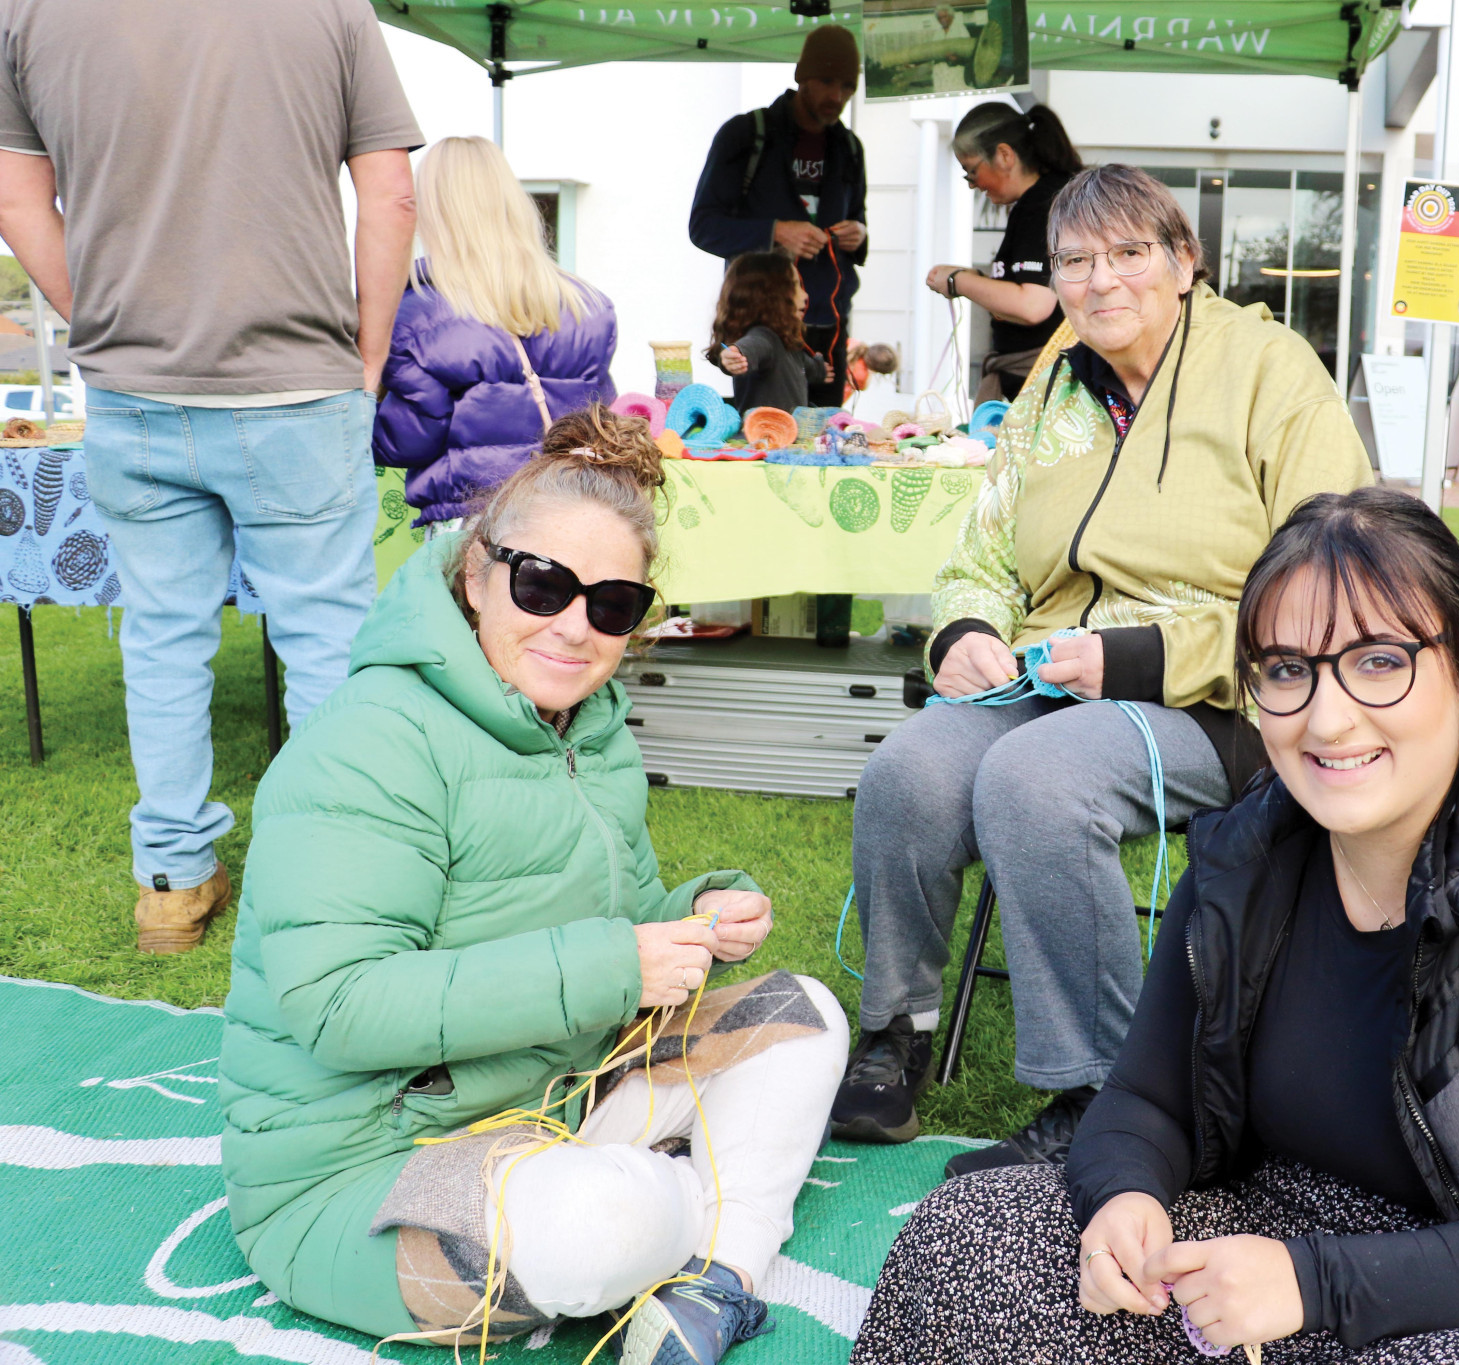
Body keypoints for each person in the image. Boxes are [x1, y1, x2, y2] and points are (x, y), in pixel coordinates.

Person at [852, 488, 1459, 1365]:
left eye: (1376, 662)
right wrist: (1124, 1197)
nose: (1325, 720)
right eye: (1285, 671)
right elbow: (1145, 1100)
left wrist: (1310, 1282)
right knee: (968, 1239)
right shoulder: (1245, 862)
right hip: (1275, 1231)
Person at [218, 406, 848, 1365]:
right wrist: (615, 967)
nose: (574, 626)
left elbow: (617, 921)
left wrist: (698, 916)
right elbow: (338, 1005)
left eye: (612, 604)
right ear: (476, 574)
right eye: (543, 583)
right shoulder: (369, 741)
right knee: (590, 1229)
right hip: (364, 1170)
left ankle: (716, 1274)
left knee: (808, 1014)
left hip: (561, 1095)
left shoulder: (588, 726)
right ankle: (718, 1212)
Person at [832, 165, 1371, 1177]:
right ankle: (891, 1036)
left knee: (1038, 781)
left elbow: (1329, 578)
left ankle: (1106, 1099)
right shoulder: (1054, 378)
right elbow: (980, 551)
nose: (1101, 281)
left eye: (1130, 254)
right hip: (1049, 674)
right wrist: (961, 635)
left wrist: (1137, 657)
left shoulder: (1267, 369)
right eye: (1076, 261)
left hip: (1226, 697)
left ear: (1184, 264)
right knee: (909, 771)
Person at [0, 0, 420, 954]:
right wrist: (370, 349)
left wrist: (104, 319)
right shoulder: (331, 9)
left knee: (161, 638)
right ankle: (330, 882)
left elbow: (18, 198)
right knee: (325, 641)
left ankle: (170, 885)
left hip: (132, 389)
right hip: (296, 382)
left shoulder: (29, 11)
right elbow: (390, 195)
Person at [374, 136, 617, 534]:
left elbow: (408, 440)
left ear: (433, 209)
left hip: (471, 519)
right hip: (566, 510)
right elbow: (598, 414)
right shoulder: (588, 306)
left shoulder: (418, 314)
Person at [689, 24, 866, 409]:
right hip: (763, 326)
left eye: (848, 86)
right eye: (826, 80)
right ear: (801, 75)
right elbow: (702, 227)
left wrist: (860, 233)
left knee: (827, 444)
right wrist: (775, 232)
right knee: (769, 438)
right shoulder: (745, 135)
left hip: (828, 327)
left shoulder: (850, 148)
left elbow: (857, 218)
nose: (837, 96)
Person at [924, 101, 1085, 401]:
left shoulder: (1040, 206)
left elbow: (1033, 305)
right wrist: (978, 280)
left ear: (1004, 155)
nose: (973, 185)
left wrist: (959, 281)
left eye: (971, 171)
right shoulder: (1051, 196)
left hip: (1037, 382)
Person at [708, 252, 828, 414]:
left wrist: (820, 369)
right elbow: (751, 347)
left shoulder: (786, 344)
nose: (805, 295)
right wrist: (734, 354)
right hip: (764, 437)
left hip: (788, 437)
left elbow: (806, 366)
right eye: (795, 285)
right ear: (770, 298)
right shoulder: (765, 337)